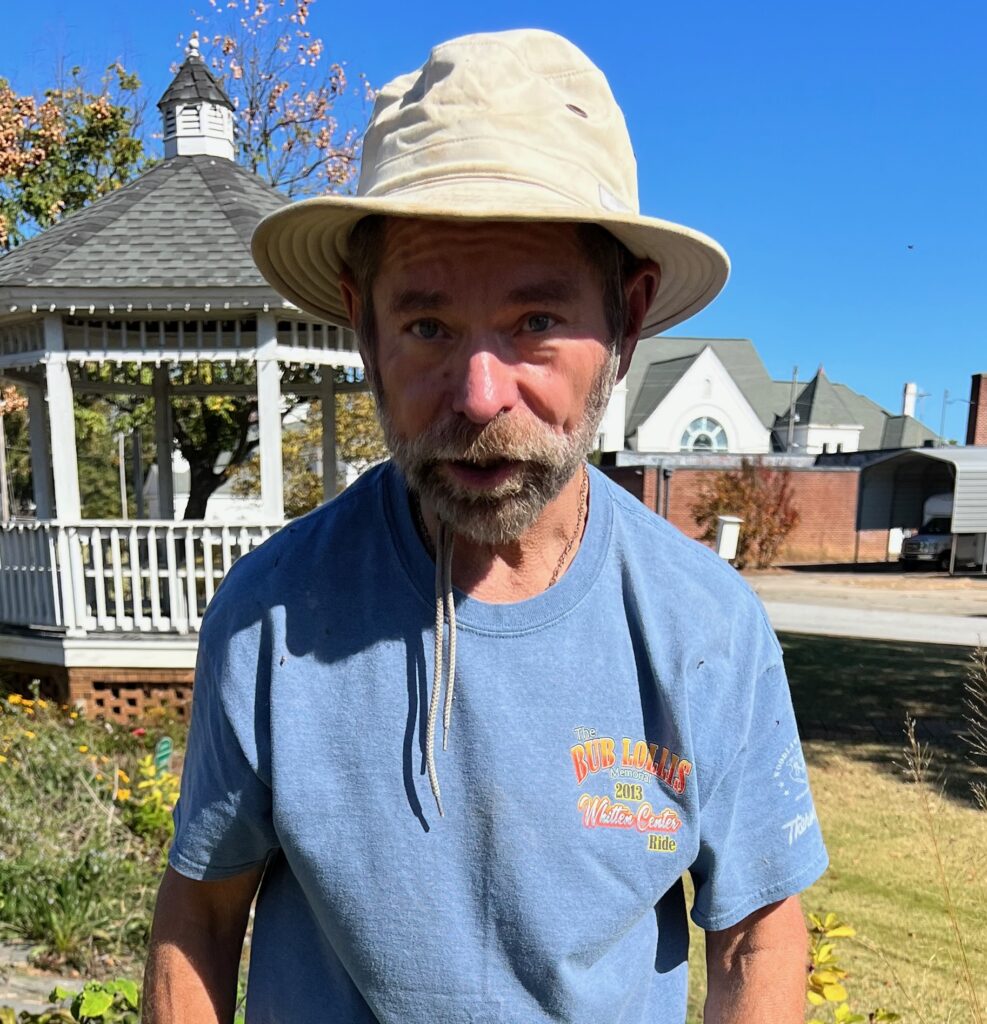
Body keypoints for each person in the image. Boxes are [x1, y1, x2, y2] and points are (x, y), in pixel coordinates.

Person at [142, 28, 827, 1024]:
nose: (478, 394)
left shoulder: (705, 628)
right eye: (426, 326)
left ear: (628, 319)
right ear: (362, 324)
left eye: (535, 323)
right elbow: (200, 916)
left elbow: (758, 933)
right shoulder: (272, 616)